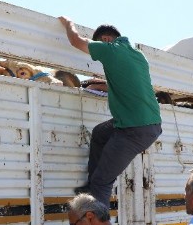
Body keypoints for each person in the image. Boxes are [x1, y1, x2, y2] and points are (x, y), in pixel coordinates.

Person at [59, 17, 162, 208]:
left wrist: (68, 23)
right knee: (100, 132)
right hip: (145, 123)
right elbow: (127, 85)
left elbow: (75, 41)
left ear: (106, 40)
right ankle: (91, 188)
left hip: (134, 128)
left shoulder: (110, 50)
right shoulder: (137, 55)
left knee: (102, 182)